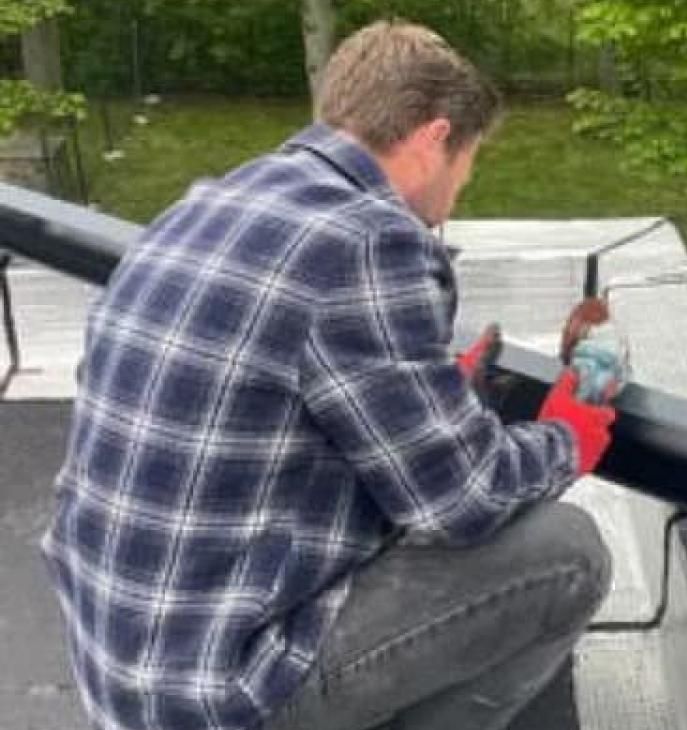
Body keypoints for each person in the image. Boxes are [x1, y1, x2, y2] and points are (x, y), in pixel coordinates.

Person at [40, 20, 616, 730]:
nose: (463, 184)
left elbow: (283, 394)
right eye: (470, 159)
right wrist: (566, 438)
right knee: (568, 552)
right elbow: (459, 501)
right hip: (224, 696)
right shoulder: (372, 237)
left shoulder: (209, 202)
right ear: (435, 138)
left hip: (127, 667)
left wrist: (436, 395)